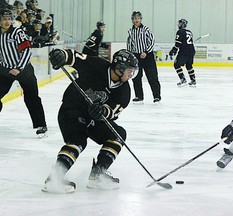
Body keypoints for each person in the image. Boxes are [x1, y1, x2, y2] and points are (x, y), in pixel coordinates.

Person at [42, 48, 138, 193]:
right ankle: (54, 178)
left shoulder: (125, 91)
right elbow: (74, 57)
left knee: (118, 134)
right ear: (119, 68)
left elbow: (112, 112)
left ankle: (97, 174)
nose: (131, 74)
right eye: (129, 70)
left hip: (94, 118)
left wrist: (102, 112)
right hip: (72, 109)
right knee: (78, 139)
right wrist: (62, 55)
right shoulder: (97, 65)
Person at [0, 8, 47, 137]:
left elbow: (26, 51)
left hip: (24, 70)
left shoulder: (16, 32)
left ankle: (41, 125)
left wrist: (19, 68)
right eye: (4, 19)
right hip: (5, 70)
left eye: (9, 19)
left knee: (32, 98)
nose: (7, 22)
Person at [127, 11, 161, 104]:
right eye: (134, 18)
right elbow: (129, 44)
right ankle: (139, 96)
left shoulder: (146, 29)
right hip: (136, 56)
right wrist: (130, 55)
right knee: (136, 77)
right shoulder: (130, 31)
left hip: (148, 56)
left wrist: (146, 52)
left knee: (152, 77)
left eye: (138, 18)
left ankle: (157, 96)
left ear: (141, 19)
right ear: (132, 20)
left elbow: (152, 41)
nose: (136, 20)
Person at [169, 19, 196, 87]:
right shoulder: (189, 32)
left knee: (176, 65)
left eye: (179, 23)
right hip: (192, 51)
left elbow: (178, 43)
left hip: (184, 51)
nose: (178, 25)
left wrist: (173, 50)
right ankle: (193, 80)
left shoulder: (180, 32)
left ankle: (183, 79)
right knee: (189, 65)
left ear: (183, 24)